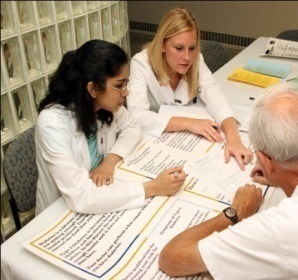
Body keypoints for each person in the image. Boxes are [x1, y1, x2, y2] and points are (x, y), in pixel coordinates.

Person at [158, 83, 298, 279]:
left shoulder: (279, 227)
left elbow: (171, 259)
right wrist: (282, 178)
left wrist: (236, 212)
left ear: (267, 162)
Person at [35, 39, 186, 215]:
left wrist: (110, 160)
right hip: (59, 216)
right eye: (119, 85)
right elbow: (82, 198)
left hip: (102, 196)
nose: (126, 92)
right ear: (93, 89)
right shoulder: (52, 123)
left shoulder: (102, 106)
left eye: (125, 83)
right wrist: (152, 187)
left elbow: (133, 126)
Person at [127, 7, 252, 170]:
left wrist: (233, 138)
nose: (187, 57)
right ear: (163, 45)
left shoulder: (196, 60)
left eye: (192, 48)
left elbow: (216, 97)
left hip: (185, 145)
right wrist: (188, 123)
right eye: (179, 48)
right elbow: (136, 116)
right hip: (155, 142)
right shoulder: (141, 63)